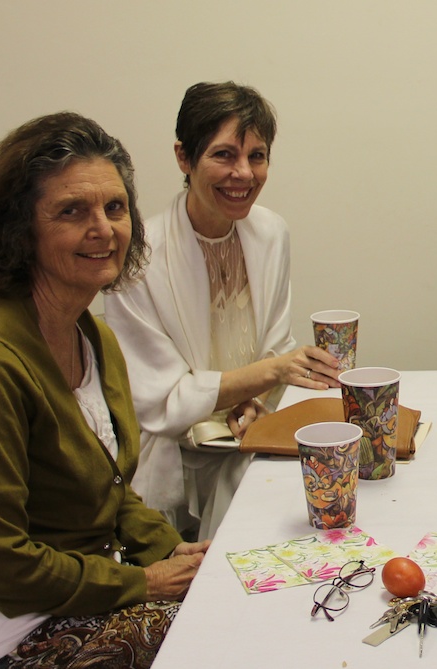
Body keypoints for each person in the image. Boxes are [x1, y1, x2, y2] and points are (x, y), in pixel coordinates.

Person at [0, 112, 209, 668]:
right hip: (7, 629)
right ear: (20, 228)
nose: (103, 229)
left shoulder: (94, 336)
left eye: (115, 208)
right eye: (72, 211)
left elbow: (113, 493)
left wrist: (177, 550)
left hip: (87, 591)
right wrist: (145, 582)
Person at [104, 82, 340, 541]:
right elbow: (158, 401)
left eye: (257, 156)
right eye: (224, 155)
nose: (244, 173)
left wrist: (255, 398)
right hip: (174, 459)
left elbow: (274, 344)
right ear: (184, 157)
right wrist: (272, 371)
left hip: (251, 435)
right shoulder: (138, 257)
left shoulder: (271, 233)